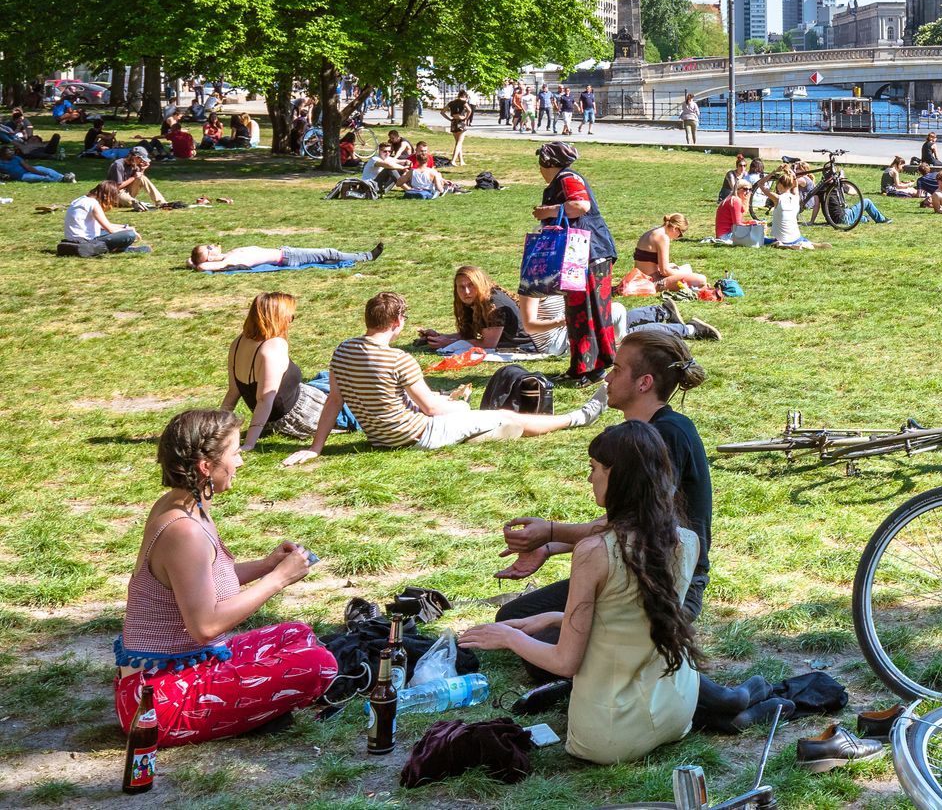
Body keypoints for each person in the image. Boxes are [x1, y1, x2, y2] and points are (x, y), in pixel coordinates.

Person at [462, 422, 701, 765]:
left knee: (516, 630)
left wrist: (507, 637)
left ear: (616, 476)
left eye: (594, 468)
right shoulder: (686, 541)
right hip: (676, 711)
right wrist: (554, 617)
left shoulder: (594, 552)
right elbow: (634, 623)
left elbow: (565, 662)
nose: (589, 479)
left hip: (609, 736)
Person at [114, 410, 337, 746]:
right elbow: (205, 627)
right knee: (317, 664)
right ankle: (257, 709)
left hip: (178, 670)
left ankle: (257, 707)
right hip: (155, 705)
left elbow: (203, 583)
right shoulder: (184, 531)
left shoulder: (183, 505)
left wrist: (265, 565)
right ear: (206, 466)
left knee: (298, 633)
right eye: (234, 454)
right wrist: (277, 580)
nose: (240, 463)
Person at [494, 329, 713, 620]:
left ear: (644, 383)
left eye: (617, 369)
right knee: (515, 618)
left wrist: (549, 533)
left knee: (544, 638)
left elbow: (633, 523)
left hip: (670, 585)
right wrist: (548, 546)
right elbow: (623, 522)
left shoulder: (667, 433)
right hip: (632, 569)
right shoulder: (648, 432)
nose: (607, 378)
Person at [282, 293, 603, 466]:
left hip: (380, 436)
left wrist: (316, 448)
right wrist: (458, 406)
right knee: (498, 414)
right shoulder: (399, 359)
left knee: (459, 409)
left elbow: (334, 401)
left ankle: (485, 430)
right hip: (416, 434)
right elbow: (432, 412)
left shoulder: (343, 351)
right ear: (398, 322)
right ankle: (577, 418)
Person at [220, 293, 356, 449]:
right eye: (290, 317)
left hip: (284, 408)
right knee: (353, 393)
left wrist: (218, 426)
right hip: (299, 415)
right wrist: (250, 443)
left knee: (327, 378)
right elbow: (265, 399)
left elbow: (233, 392)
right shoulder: (274, 346)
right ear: (278, 317)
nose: (290, 320)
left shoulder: (238, 342)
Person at [536, 141, 621, 384]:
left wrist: (547, 211)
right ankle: (593, 365)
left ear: (547, 163)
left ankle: (588, 368)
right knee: (588, 310)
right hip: (587, 253)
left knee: (583, 311)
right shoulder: (565, 178)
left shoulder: (567, 177)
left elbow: (580, 205)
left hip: (587, 254)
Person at [440, 265, 564, 357]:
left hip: (524, 346)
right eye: (461, 287)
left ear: (480, 284)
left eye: (471, 285)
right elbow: (469, 333)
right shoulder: (471, 301)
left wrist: (450, 343)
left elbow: (488, 343)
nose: (466, 291)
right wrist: (440, 337)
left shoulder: (494, 303)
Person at [628, 214, 711, 295]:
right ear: (675, 228)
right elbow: (665, 271)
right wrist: (685, 275)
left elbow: (651, 262)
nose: (678, 236)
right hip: (652, 282)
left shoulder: (652, 232)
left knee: (681, 267)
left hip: (640, 277)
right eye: (680, 234)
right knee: (701, 279)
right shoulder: (663, 237)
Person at [62, 180, 147, 256]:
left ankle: (118, 248)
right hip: (85, 241)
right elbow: (110, 229)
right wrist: (129, 231)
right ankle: (122, 249)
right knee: (129, 235)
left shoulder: (80, 200)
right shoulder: (93, 203)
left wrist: (124, 227)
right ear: (106, 195)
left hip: (72, 239)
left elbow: (102, 226)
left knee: (124, 231)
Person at [189, 240, 383, 272]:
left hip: (286, 252)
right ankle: (366, 256)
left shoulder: (227, 255)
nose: (212, 245)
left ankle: (358, 256)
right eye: (208, 248)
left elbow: (194, 263)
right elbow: (201, 266)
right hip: (289, 258)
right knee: (328, 252)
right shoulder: (228, 261)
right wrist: (199, 263)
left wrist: (191, 261)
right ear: (210, 259)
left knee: (325, 256)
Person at [0, 143, 70, 183]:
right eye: (9, 153)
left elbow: (27, 167)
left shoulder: (16, 158)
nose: (12, 153)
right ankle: (62, 180)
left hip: (28, 170)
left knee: (46, 169)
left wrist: (38, 171)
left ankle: (63, 177)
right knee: (41, 178)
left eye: (12, 152)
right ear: (3, 154)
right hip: (22, 176)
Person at [445, 89, 475, 165]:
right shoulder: (463, 102)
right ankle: (453, 160)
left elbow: (442, 112)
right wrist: (465, 118)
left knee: (458, 142)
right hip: (460, 122)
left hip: (453, 122)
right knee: (459, 142)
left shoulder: (451, 103)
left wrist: (449, 119)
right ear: (465, 96)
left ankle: (461, 161)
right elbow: (469, 110)